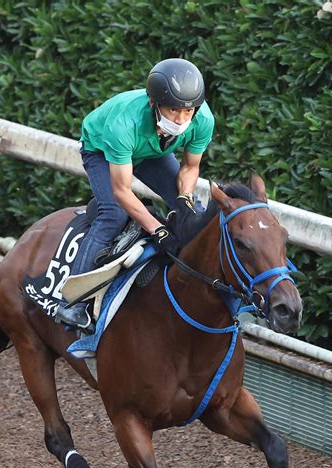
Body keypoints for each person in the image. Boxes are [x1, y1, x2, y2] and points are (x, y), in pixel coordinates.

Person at [55, 58, 215, 330]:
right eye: (174, 110)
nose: (181, 120)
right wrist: (157, 230)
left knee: (191, 211)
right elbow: (122, 190)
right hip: (103, 151)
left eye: (188, 112)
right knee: (113, 214)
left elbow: (190, 167)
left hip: (153, 151)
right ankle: (71, 303)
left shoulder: (204, 120)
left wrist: (184, 200)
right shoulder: (123, 124)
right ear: (154, 104)